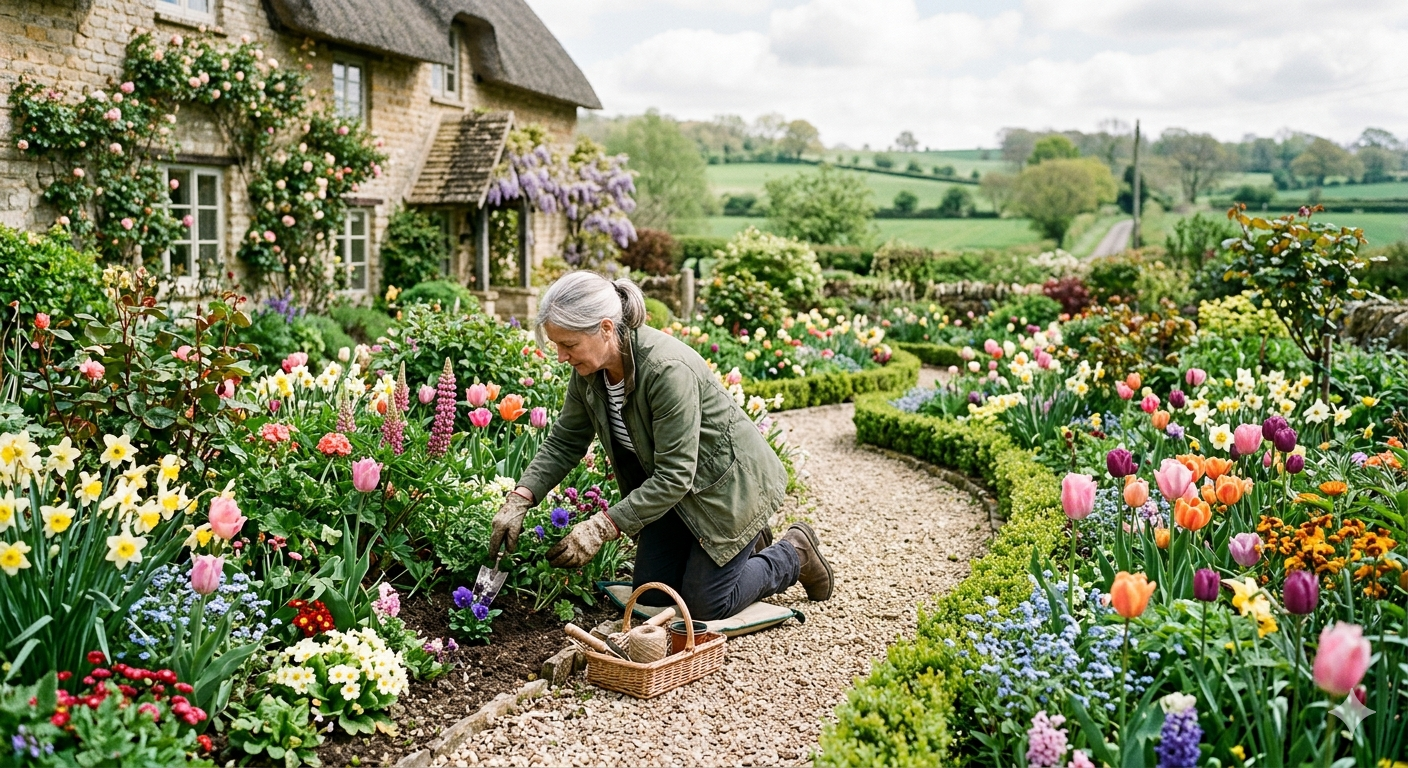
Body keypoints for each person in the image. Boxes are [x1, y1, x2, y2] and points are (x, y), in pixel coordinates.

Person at [487, 271, 833, 621]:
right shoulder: (589, 373)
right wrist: (521, 498)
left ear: (606, 328)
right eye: (557, 345)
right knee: (652, 596)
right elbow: (565, 440)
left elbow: (675, 475)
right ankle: (739, 548)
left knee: (705, 605)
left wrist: (602, 526)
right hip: (674, 499)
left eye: (569, 345)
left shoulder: (666, 370)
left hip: (727, 491)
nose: (561, 356)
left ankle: (794, 552)